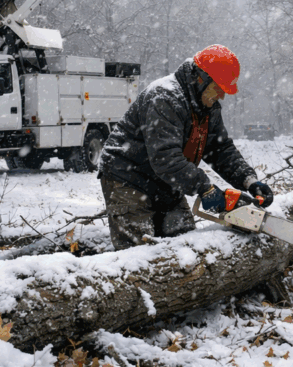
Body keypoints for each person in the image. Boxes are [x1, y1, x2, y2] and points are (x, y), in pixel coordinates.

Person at [98, 45, 274, 250]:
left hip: (167, 180)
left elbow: (220, 150)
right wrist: (205, 188)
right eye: (218, 88)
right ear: (201, 79)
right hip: (128, 178)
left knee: (185, 246)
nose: (222, 97)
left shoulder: (208, 106)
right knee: (138, 253)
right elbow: (165, 158)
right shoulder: (164, 97)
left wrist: (249, 181)